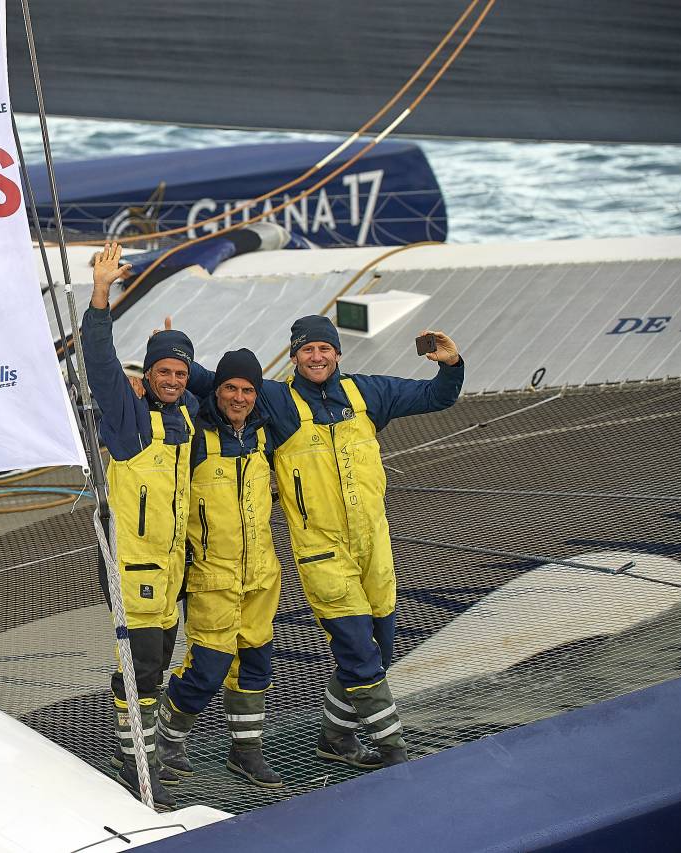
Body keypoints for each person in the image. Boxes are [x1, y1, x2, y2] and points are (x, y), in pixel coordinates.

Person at [188, 315, 463, 768]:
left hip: (375, 547)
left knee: (380, 651)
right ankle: (394, 750)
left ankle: (335, 738)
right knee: (358, 651)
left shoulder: (368, 393)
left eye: (324, 348)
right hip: (322, 552)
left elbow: (439, 395)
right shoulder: (275, 399)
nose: (316, 357)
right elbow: (215, 382)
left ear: (337, 353)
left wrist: (451, 363)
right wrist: (167, 359)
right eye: (306, 350)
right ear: (294, 356)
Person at [80, 242, 198, 810]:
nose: (173, 380)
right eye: (162, 372)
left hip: (171, 570)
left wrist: (169, 344)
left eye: (180, 372)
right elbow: (100, 365)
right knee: (141, 671)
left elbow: (209, 386)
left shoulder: (185, 420)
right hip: (132, 568)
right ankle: (132, 759)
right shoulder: (128, 420)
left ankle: (141, 749)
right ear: (145, 377)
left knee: (157, 666)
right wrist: (101, 295)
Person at [155, 348, 286, 789]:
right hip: (212, 576)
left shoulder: (266, 434)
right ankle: (168, 736)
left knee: (256, 664)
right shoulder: (196, 436)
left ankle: (245, 751)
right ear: (217, 389)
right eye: (230, 387)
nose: (239, 397)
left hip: (262, 576)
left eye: (248, 389)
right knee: (208, 667)